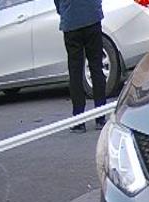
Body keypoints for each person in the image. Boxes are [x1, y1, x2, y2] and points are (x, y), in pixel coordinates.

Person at [54, 0, 106, 133]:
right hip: (92, 16)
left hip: (71, 20)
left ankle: (79, 119)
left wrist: (64, 11)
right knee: (96, 67)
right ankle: (100, 117)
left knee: (75, 72)